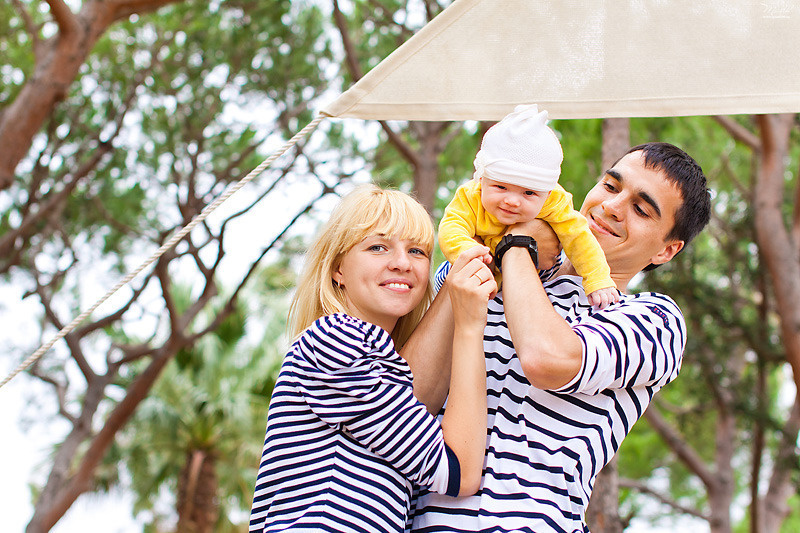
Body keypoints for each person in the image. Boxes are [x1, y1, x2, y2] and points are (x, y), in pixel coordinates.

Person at [403, 142, 712, 533]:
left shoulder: (654, 320)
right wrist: (487, 247)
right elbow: (405, 405)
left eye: (641, 209)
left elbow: (546, 359)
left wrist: (518, 243)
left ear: (667, 250)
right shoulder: (478, 266)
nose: (612, 207)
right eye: (611, 186)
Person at [248, 184, 497, 533]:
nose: (401, 263)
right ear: (338, 269)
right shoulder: (336, 341)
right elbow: (458, 471)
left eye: (417, 251)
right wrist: (469, 326)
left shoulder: (374, 355)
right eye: (378, 247)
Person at [438, 104, 619, 308]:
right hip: (478, 269)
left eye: (529, 193)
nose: (512, 201)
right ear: (481, 178)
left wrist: (598, 279)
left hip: (528, 276)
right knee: (443, 278)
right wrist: (468, 249)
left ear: (547, 193)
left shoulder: (554, 201)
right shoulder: (471, 195)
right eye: (500, 186)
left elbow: (579, 237)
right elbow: (451, 227)